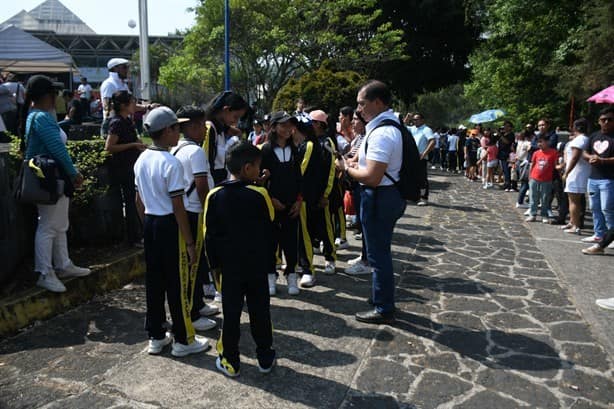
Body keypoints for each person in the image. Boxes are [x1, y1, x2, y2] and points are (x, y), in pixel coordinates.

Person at [134, 106, 210, 357]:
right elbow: (178, 207)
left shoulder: (141, 159)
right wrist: (190, 243)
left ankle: (156, 335)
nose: (179, 132)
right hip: (169, 225)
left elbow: (138, 201)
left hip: (151, 223)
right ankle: (183, 339)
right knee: (178, 282)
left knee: (154, 282)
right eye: (177, 128)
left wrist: (146, 225)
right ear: (167, 130)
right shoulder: (171, 162)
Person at [205, 142, 277, 377]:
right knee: (260, 312)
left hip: (229, 268)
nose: (260, 171)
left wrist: (214, 268)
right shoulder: (261, 194)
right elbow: (270, 230)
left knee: (232, 313)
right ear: (247, 168)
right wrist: (270, 265)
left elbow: (209, 236)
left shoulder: (214, 195)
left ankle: (230, 360)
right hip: (256, 267)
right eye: (257, 167)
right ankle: (265, 356)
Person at [21, 75, 90, 293]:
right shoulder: (41, 117)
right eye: (54, 93)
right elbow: (57, 148)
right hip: (49, 177)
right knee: (49, 225)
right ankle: (45, 272)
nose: (57, 98)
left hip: (51, 176)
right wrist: (73, 172)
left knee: (58, 224)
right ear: (46, 95)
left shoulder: (37, 115)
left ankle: (63, 265)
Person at [344, 80, 405, 324]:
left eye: (362, 103)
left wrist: (347, 170)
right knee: (380, 251)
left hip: (380, 196)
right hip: (385, 195)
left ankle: (383, 307)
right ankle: (381, 297)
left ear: (377, 102)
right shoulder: (384, 126)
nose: (358, 110)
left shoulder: (382, 133)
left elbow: (372, 176)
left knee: (378, 255)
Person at [170, 105, 219, 331]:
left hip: (183, 211)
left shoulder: (175, 149)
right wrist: (209, 212)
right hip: (195, 212)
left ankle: (198, 303)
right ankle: (192, 312)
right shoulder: (196, 152)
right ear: (191, 126)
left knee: (196, 263)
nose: (205, 130)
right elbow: (201, 186)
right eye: (202, 125)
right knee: (193, 263)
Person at [260, 112, 302, 296]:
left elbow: (300, 178)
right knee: (270, 242)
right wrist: (270, 199)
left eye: (290, 125)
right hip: (272, 205)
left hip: (292, 204)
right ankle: (270, 275)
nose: (287, 129)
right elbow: (259, 178)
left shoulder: (296, 149)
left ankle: (291, 274)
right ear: (274, 127)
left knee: (291, 242)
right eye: (283, 125)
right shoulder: (266, 150)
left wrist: (299, 200)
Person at [104, 91, 146, 247]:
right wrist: (133, 145)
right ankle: (132, 237)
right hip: (123, 168)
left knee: (135, 201)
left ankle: (137, 233)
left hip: (132, 166)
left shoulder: (127, 121)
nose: (134, 105)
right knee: (129, 202)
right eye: (132, 102)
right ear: (123, 105)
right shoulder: (117, 122)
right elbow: (109, 147)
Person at [308, 109, 337, 274]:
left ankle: (330, 258)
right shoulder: (309, 141)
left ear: (319, 124)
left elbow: (331, 170)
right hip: (310, 193)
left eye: (311, 122)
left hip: (323, 194)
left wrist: (325, 194)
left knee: (326, 227)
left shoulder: (327, 142)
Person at [581, 107, 614, 244]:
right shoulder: (594, 136)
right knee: (595, 207)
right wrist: (590, 157)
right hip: (594, 177)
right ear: (599, 121)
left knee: (607, 209)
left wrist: (602, 160)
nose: (606, 122)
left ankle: (611, 236)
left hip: (609, 179)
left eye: (610, 119)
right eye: (603, 119)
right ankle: (598, 233)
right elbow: (584, 152)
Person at [203, 91, 249, 185]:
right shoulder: (210, 128)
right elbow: (205, 164)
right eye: (235, 117)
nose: (236, 122)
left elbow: (236, 131)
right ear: (226, 109)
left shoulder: (222, 128)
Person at [561, 118, 590, 234]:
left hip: (576, 173)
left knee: (574, 201)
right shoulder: (582, 139)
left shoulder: (580, 140)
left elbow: (574, 157)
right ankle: (572, 222)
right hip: (576, 172)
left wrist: (567, 172)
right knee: (571, 199)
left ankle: (576, 225)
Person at [525, 134, 559, 223]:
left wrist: (563, 165)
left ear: (547, 142)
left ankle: (544, 215)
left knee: (545, 198)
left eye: (541, 141)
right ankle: (532, 214)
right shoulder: (536, 153)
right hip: (534, 178)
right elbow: (532, 164)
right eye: (538, 142)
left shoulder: (553, 152)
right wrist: (529, 176)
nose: (539, 144)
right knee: (533, 197)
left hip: (547, 179)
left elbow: (556, 165)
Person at [409, 113, 434, 206]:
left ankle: (424, 197)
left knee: (422, 178)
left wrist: (424, 153)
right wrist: (407, 118)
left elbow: (432, 141)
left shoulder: (426, 129)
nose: (415, 121)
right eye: (414, 119)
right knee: (413, 177)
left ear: (422, 120)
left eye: (417, 119)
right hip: (412, 156)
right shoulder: (413, 128)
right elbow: (402, 126)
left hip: (421, 157)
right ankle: (415, 196)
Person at [499, 120, 515, 191]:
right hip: (501, 153)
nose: (505, 127)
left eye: (507, 126)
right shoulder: (503, 134)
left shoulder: (511, 134)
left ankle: (508, 184)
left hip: (507, 154)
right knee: (504, 169)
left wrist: (500, 135)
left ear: (511, 127)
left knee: (507, 169)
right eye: (505, 125)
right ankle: (506, 182)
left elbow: (507, 142)